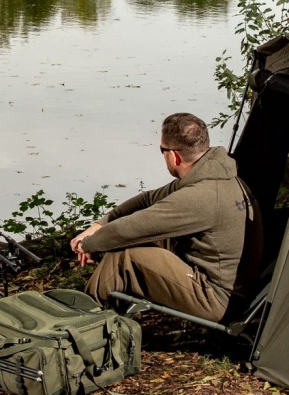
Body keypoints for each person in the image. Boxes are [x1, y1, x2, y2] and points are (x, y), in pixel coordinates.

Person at [72, 112, 253, 321]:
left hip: (220, 299)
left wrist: (88, 244)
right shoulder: (215, 174)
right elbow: (149, 200)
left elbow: (128, 229)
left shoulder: (200, 197)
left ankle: (83, 323)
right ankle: (104, 317)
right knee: (135, 239)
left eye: (162, 150)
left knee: (124, 258)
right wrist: (99, 225)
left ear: (174, 156)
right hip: (232, 287)